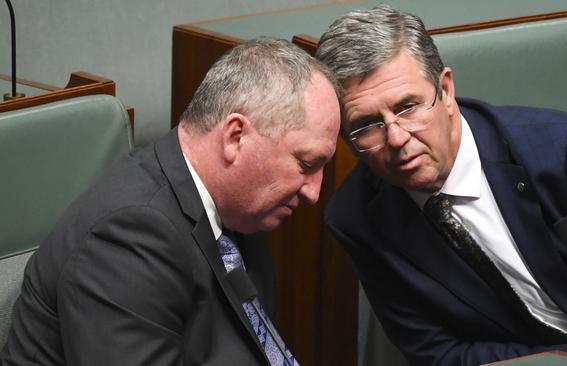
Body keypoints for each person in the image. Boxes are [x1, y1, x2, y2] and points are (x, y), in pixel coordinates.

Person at [316, 5, 567, 366]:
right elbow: (440, 354)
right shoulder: (357, 218)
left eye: (408, 106)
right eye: (367, 124)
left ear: (445, 90)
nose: (396, 138)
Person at [0, 37, 340, 366]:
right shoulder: (129, 235)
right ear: (235, 137)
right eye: (306, 164)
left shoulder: (236, 204)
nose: (313, 192)